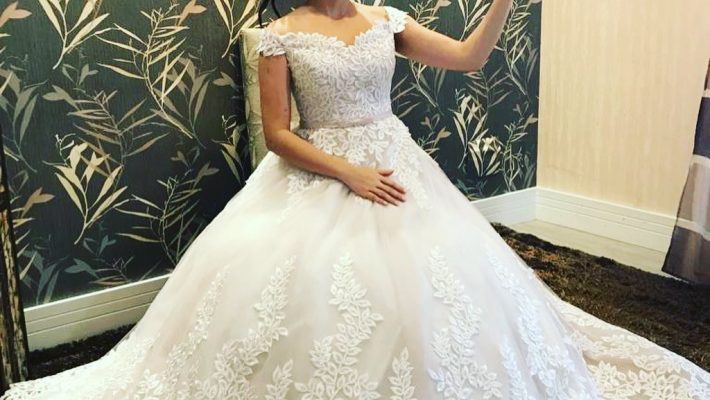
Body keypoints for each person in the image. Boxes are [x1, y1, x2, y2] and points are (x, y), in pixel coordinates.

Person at [2, 0, 709, 398]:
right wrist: (347, 172)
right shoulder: (279, 37)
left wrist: (500, 4)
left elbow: (469, 58)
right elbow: (279, 134)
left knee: (440, 282)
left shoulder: (386, 20)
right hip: (322, 167)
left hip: (397, 163)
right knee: (308, 286)